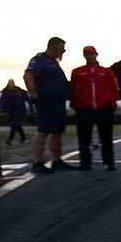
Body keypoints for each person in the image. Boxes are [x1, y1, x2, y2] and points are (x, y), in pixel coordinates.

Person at [23, 37, 74, 174]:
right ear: (54, 46)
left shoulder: (53, 62)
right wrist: (34, 94)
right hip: (46, 101)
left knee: (56, 131)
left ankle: (57, 161)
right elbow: (28, 75)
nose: (64, 50)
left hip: (57, 102)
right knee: (43, 130)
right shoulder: (40, 59)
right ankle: (37, 163)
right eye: (62, 47)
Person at [70, 45, 120, 170]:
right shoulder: (77, 72)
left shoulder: (106, 71)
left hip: (104, 108)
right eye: (87, 54)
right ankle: (85, 162)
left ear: (96, 55)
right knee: (84, 136)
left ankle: (109, 161)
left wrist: (112, 103)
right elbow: (73, 90)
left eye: (92, 54)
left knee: (106, 136)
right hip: (84, 108)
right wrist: (76, 104)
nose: (89, 56)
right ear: (84, 56)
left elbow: (115, 88)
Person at [0, 79, 29, 145]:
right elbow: (2, 101)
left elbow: (27, 98)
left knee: (14, 125)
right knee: (17, 125)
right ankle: (24, 138)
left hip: (20, 110)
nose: (11, 84)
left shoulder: (19, 90)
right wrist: (2, 109)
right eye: (10, 82)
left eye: (12, 82)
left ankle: (9, 139)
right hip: (11, 111)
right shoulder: (5, 91)